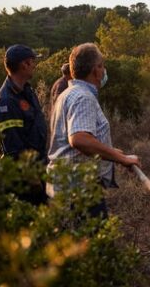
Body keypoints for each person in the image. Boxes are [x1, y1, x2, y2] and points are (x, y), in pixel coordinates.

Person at [47, 43, 140, 217]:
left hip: (65, 190)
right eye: (102, 65)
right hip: (80, 193)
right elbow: (79, 139)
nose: (104, 70)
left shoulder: (67, 94)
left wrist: (111, 152)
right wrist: (122, 158)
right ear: (95, 70)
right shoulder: (83, 97)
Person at [0, 44, 48, 205]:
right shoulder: (7, 101)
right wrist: (31, 176)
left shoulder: (27, 91)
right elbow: (13, 146)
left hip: (39, 169)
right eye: (32, 61)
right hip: (24, 179)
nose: (34, 65)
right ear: (24, 64)